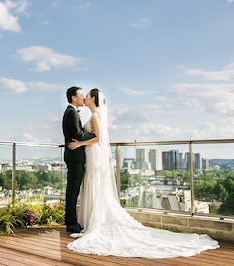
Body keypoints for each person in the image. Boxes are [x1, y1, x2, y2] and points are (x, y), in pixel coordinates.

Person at [66, 88, 219, 258]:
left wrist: (79, 144)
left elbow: (98, 138)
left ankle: (93, 221)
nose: (85, 97)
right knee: (92, 184)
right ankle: (91, 219)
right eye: (83, 95)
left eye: (87, 96)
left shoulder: (94, 116)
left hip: (92, 153)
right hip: (91, 154)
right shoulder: (93, 115)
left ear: (93, 100)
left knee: (94, 184)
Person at [62, 86, 96, 233]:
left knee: (73, 190)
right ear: (73, 98)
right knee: (73, 191)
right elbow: (79, 135)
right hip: (75, 157)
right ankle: (71, 223)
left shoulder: (71, 112)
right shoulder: (72, 113)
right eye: (81, 95)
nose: (83, 97)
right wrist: (94, 135)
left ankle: (71, 221)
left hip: (74, 156)